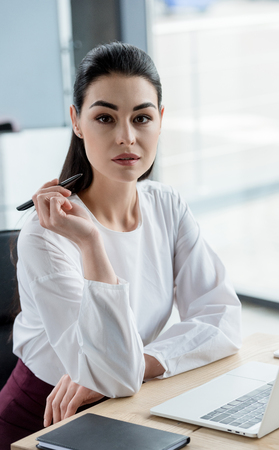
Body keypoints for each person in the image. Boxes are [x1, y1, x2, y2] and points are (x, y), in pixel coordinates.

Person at [0, 42, 242, 448]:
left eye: (142, 117)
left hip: (125, 406)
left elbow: (222, 318)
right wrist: (92, 243)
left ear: (160, 121)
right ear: (77, 121)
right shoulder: (45, 234)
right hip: (42, 423)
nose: (126, 137)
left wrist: (143, 363)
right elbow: (111, 374)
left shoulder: (166, 204)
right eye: (105, 118)